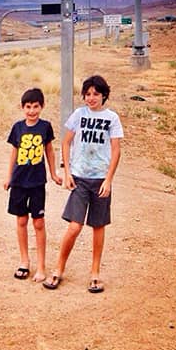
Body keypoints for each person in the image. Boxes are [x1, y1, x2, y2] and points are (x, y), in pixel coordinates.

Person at [43, 74, 123, 293]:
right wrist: (67, 172)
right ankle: (59, 269)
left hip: (100, 180)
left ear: (104, 95)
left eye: (96, 94)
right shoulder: (79, 115)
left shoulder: (112, 118)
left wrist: (108, 179)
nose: (91, 98)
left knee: (98, 226)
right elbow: (66, 142)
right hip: (80, 178)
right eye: (87, 94)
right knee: (74, 226)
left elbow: (116, 151)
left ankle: (95, 273)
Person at [4, 87, 62, 282]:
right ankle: (24, 261)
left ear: (42, 106)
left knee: (38, 222)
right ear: (22, 107)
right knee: (21, 220)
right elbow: (14, 153)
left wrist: (54, 174)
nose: (31, 111)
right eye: (28, 107)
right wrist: (8, 176)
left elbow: (50, 152)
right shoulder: (18, 128)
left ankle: (41, 266)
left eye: (35, 106)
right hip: (19, 181)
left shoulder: (45, 127)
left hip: (37, 182)